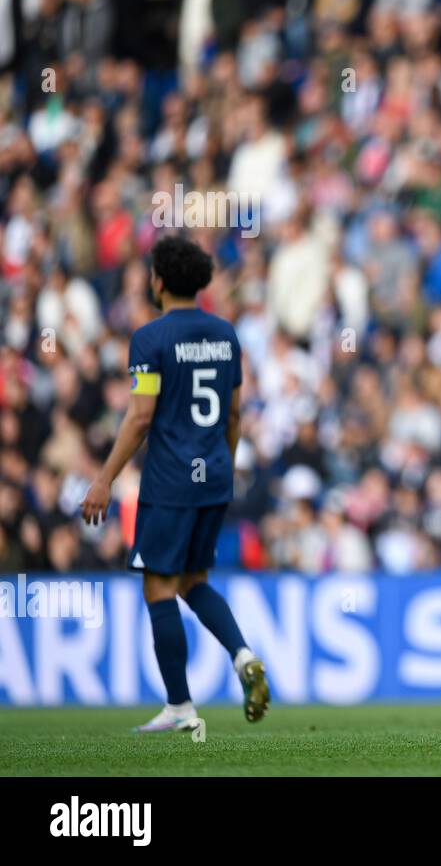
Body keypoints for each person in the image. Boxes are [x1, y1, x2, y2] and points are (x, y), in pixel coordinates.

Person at [81, 235, 270, 733]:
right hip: (213, 479)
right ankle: (243, 653)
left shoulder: (149, 339)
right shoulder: (226, 335)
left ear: (159, 280)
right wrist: (223, 467)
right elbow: (233, 413)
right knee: (193, 582)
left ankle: (181, 706)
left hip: (168, 483)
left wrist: (104, 479)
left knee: (159, 588)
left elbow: (140, 417)